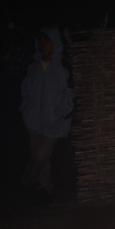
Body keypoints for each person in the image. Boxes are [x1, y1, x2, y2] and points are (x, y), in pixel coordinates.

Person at [20, 27, 75, 196]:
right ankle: (44, 188)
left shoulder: (62, 66)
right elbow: (25, 92)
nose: (43, 45)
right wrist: (26, 111)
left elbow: (70, 92)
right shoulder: (32, 68)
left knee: (38, 157)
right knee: (43, 158)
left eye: (47, 41)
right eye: (41, 42)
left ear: (55, 43)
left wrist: (60, 112)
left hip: (54, 123)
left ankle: (27, 183)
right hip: (34, 122)